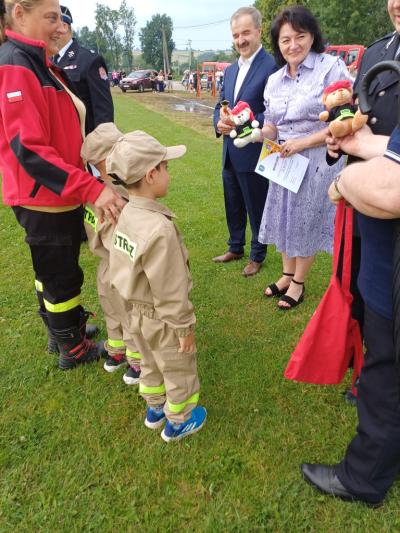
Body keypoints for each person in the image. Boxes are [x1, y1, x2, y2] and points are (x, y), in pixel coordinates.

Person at [0, 0, 124, 370]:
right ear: (19, 13)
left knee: (52, 271)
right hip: (45, 196)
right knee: (61, 276)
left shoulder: (36, 60)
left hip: (56, 192)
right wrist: (92, 188)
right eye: (51, 17)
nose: (60, 26)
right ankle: (72, 346)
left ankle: (61, 331)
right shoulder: (16, 64)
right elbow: (30, 149)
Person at [301, 122, 400, 507]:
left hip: (392, 282)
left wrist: (344, 182)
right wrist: (361, 144)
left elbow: (390, 189)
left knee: (384, 377)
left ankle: (364, 477)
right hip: (385, 272)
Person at [107, 131, 207, 442]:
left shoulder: (126, 214)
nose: (169, 174)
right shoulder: (160, 229)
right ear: (151, 175)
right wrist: (183, 328)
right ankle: (179, 420)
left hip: (133, 312)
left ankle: (155, 408)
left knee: (148, 361)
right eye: (166, 167)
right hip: (161, 317)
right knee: (178, 367)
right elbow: (170, 289)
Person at [259, 5, 350, 308]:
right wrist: (255, 133)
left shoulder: (330, 68)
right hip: (282, 160)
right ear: (278, 44)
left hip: (316, 159)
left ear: (312, 36)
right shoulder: (274, 80)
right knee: (284, 216)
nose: (293, 45)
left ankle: (298, 283)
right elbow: (272, 125)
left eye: (300, 36)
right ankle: (287, 274)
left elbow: (342, 120)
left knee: (306, 220)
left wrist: (301, 143)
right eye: (285, 40)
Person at [213, 6, 276, 277]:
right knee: (233, 202)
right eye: (236, 35)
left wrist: (244, 122)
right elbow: (221, 104)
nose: (241, 40)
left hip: (254, 150)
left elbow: (274, 112)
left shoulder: (272, 66)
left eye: (246, 33)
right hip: (229, 151)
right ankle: (235, 246)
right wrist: (219, 122)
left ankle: (257, 255)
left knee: (256, 206)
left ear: (259, 31)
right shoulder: (230, 70)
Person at [80, 123, 142, 384]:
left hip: (104, 266)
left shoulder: (92, 191)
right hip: (121, 265)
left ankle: (116, 351)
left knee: (111, 307)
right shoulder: (116, 196)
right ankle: (137, 360)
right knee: (130, 311)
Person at [54, 5, 113, 135]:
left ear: (64, 26)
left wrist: (100, 144)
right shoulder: (52, 60)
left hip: (85, 139)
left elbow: (104, 112)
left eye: (52, 22)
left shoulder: (90, 60)